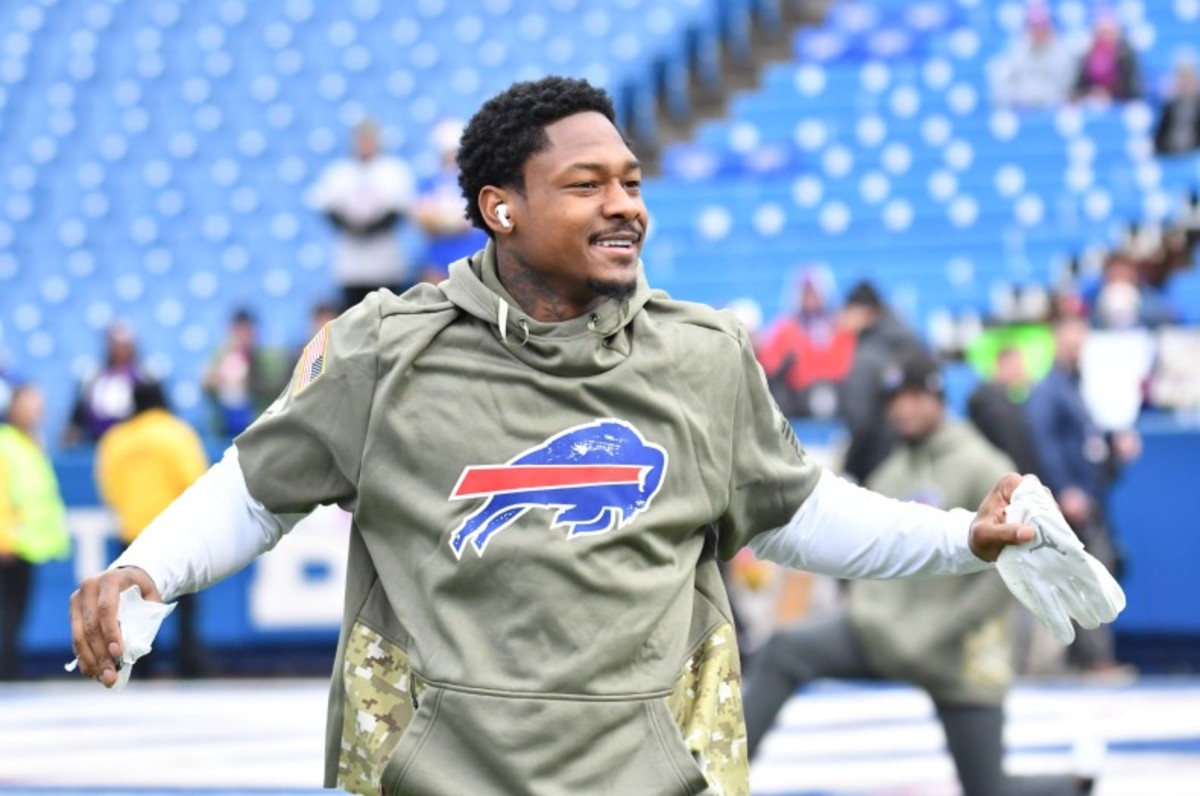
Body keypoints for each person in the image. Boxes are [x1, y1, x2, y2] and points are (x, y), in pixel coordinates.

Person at [70, 78, 1120, 796]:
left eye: (631, 182)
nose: (625, 206)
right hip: (435, 777)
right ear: (500, 209)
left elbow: (796, 513)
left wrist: (958, 539)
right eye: (587, 185)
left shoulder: (703, 356)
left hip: (649, 775)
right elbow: (259, 488)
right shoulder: (383, 349)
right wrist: (143, 569)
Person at [743, 354, 1092, 795]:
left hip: (956, 651)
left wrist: (941, 629)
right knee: (786, 649)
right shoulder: (892, 469)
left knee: (988, 790)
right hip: (883, 634)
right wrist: (865, 609)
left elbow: (1005, 572)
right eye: (895, 399)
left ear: (938, 399)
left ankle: (1071, 787)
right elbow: (866, 548)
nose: (903, 409)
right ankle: (719, 775)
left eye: (914, 397)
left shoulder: (983, 464)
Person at [1025, 314, 1138, 674]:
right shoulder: (1049, 389)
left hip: (1092, 497)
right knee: (1085, 577)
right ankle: (1091, 660)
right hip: (1071, 502)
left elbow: (1088, 439)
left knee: (1096, 572)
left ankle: (1090, 658)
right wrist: (1063, 490)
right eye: (1070, 336)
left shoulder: (1078, 386)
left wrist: (1113, 444)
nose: (1077, 344)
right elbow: (1045, 445)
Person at [95, 381, 209, 678]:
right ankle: (189, 663)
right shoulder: (176, 433)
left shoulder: (116, 439)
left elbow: (110, 486)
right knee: (185, 603)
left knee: (135, 609)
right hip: (174, 530)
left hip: (133, 531)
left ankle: (140, 667)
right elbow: (194, 479)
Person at [0, 384, 70, 680]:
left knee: (16, 613)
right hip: (11, 543)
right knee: (6, 613)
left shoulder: (30, 443)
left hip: (29, 543)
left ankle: (9, 665)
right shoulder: (6, 443)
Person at [309, 120, 417, 310]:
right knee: (353, 321)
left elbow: (399, 210)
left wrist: (367, 229)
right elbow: (327, 208)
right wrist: (353, 227)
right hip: (351, 266)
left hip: (386, 264)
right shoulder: (340, 173)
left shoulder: (393, 171)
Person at [836, 280, 924, 484]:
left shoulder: (866, 358)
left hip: (878, 466)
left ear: (865, 312)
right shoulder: (907, 343)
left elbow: (861, 423)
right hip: (914, 461)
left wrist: (851, 468)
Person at [757, 267, 855, 418]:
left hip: (838, 393)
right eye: (805, 293)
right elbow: (769, 365)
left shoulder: (842, 326)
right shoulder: (784, 328)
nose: (810, 298)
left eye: (814, 293)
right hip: (796, 400)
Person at [415, 118, 489, 281]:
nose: (451, 157)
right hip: (438, 261)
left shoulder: (478, 180)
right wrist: (457, 222)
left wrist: (445, 221)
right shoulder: (429, 182)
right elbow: (424, 221)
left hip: (475, 258)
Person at [63, 321, 158, 445]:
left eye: (124, 345)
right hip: (98, 444)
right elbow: (77, 418)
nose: (119, 350)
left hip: (138, 445)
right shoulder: (93, 377)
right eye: (115, 344)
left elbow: (160, 416)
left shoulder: (146, 377)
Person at [202, 309, 289, 437]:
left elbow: (277, 387)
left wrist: (250, 379)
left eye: (246, 331)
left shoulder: (268, 357)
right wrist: (215, 380)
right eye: (238, 331)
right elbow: (206, 384)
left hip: (260, 424)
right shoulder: (220, 356)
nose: (242, 336)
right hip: (226, 425)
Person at [968, 346, 1043, 476]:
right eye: (1018, 366)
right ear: (1004, 365)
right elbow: (1011, 445)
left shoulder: (1001, 398)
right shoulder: (989, 401)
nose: (1023, 372)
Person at [989, 3, 1077, 109]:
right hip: (1022, 107)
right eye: (1035, 26)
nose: (1038, 31)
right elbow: (1003, 81)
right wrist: (1018, 99)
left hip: (1052, 106)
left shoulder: (1062, 51)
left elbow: (1067, 85)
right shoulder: (1016, 49)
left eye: (1042, 25)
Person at [1072, 13, 1142, 103]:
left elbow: (1133, 89)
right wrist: (1091, 92)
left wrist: (1110, 94)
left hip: (1120, 102)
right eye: (1101, 33)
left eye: (1108, 33)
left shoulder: (1126, 57)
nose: (1104, 37)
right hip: (1091, 101)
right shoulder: (1087, 57)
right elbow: (1078, 87)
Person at [1155, 60, 1200, 155]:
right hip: (1170, 154)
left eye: (1188, 79)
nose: (1185, 83)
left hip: (1194, 156)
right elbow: (1160, 136)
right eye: (1181, 79)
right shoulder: (1170, 106)